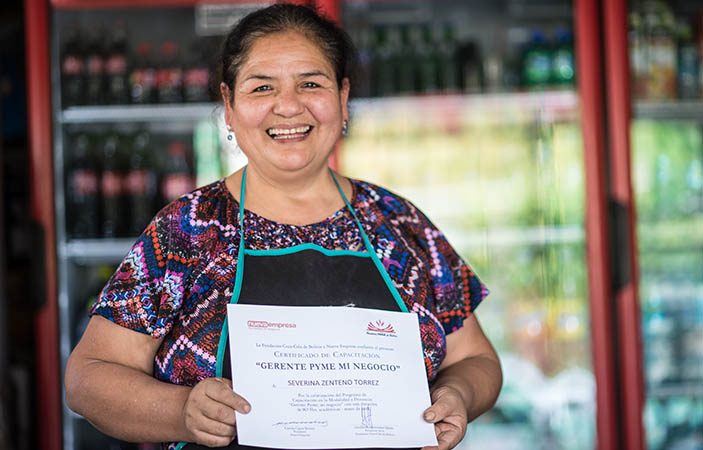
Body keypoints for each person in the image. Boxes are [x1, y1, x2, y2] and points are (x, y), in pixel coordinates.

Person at [64, 4, 502, 450]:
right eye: (262, 87)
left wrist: (458, 394)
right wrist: (181, 413)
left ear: (343, 98)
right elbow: (88, 378)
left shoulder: (399, 222)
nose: (289, 106)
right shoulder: (187, 230)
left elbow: (476, 358)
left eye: (311, 83)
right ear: (229, 106)